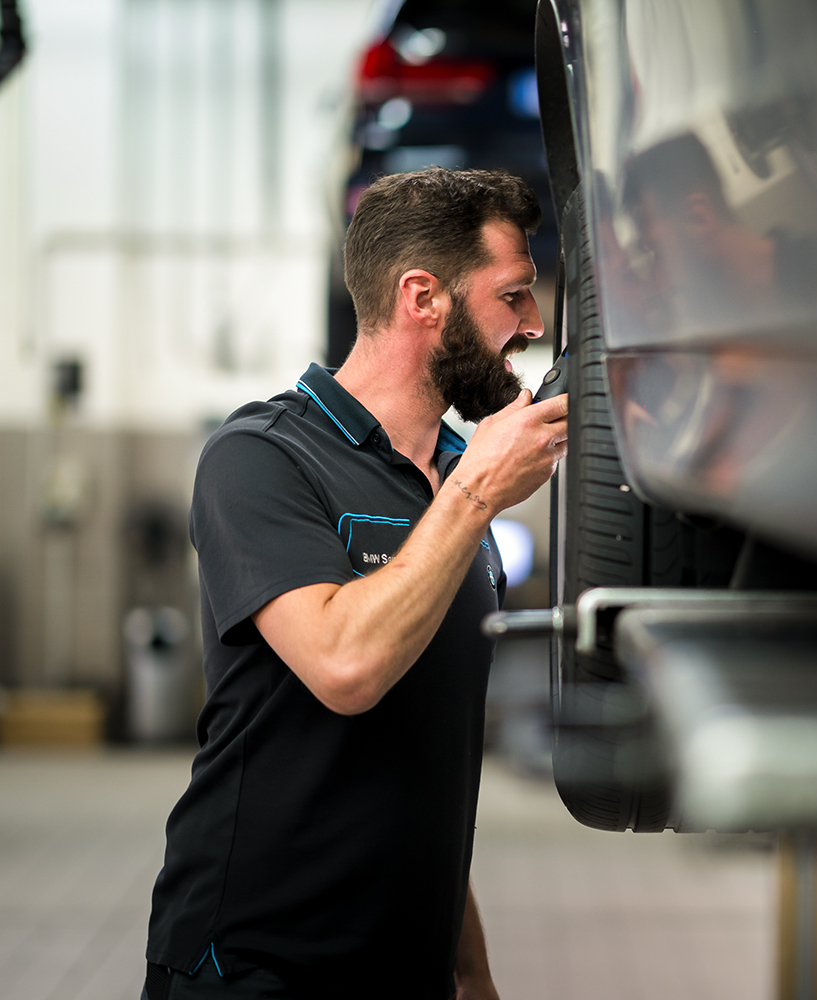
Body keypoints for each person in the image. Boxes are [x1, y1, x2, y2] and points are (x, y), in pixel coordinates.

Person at [142, 168, 567, 1000]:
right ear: (423, 297)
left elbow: (423, 765)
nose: (534, 323)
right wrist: (476, 493)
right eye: (513, 296)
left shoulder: (453, 475)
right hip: (256, 968)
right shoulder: (261, 458)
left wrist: (469, 969)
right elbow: (346, 668)